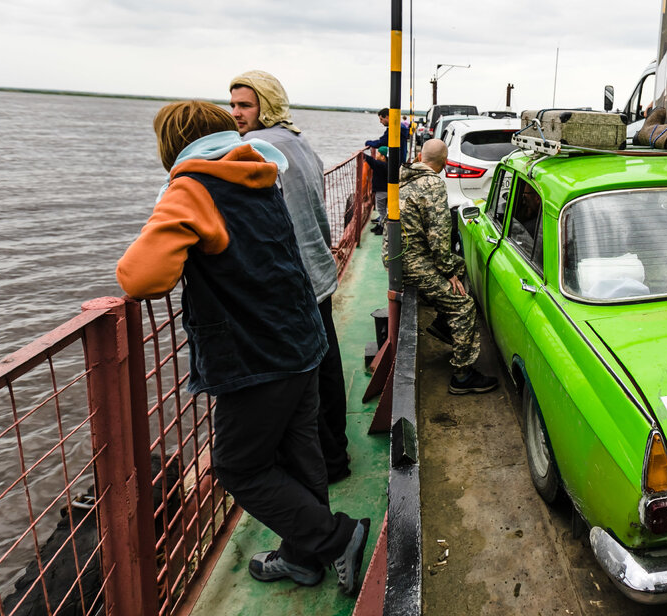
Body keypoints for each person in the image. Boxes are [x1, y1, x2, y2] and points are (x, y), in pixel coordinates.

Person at [116, 100, 369, 594]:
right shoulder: (259, 169)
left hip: (256, 356)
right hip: (302, 337)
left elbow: (141, 277)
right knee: (301, 453)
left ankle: (336, 538)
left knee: (238, 465)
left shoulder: (190, 187)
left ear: (172, 145)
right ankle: (302, 558)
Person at [228, 70, 350, 483]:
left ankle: (321, 464)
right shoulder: (299, 142)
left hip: (291, 280)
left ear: (267, 103)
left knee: (302, 382)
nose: (236, 113)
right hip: (319, 271)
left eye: (245, 104)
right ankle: (337, 455)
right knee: (328, 366)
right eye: (233, 105)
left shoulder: (252, 149)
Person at [397, 138, 496, 395]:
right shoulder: (433, 184)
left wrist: (450, 269)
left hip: (398, 255)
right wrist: (449, 271)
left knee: (456, 272)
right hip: (412, 261)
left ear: (420, 156)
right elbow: (439, 239)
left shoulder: (404, 176)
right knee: (464, 305)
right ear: (444, 163)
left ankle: (443, 322)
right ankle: (462, 375)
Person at [363, 108, 410, 236]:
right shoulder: (399, 128)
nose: (380, 121)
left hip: (395, 163)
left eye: (381, 119)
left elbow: (381, 142)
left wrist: (369, 143)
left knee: (384, 202)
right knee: (389, 200)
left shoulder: (394, 128)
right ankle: (384, 220)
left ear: (388, 117)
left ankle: (385, 223)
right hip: (399, 161)